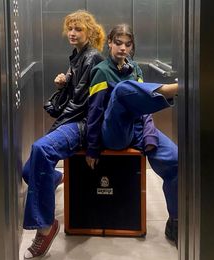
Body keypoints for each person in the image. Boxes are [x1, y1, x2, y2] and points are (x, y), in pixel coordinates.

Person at [22, 10, 105, 259]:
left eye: (78, 29)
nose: (72, 32)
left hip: (81, 124)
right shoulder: (77, 56)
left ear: (89, 32)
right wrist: (64, 83)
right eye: (70, 28)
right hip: (69, 119)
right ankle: (56, 178)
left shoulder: (93, 58)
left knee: (41, 149)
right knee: (29, 171)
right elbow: (74, 95)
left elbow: (90, 106)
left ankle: (45, 227)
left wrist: (92, 146)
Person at [85, 24, 178, 247]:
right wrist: (92, 148)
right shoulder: (101, 71)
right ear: (109, 43)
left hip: (136, 128)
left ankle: (175, 220)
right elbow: (95, 111)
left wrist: (149, 137)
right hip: (114, 132)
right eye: (118, 43)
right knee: (122, 90)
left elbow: (143, 106)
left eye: (128, 44)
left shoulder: (135, 68)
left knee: (176, 160)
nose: (123, 48)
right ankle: (173, 89)